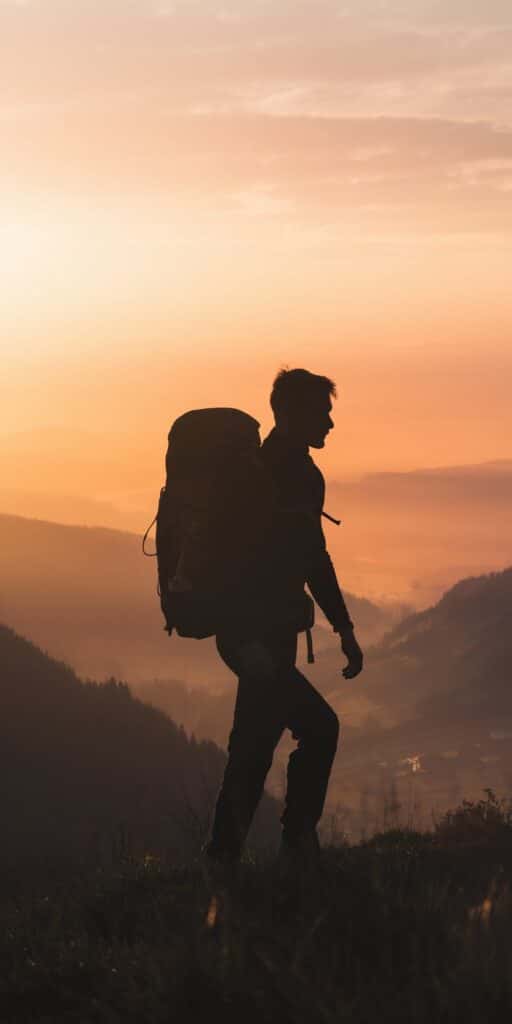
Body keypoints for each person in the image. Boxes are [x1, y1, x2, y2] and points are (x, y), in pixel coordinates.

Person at [205, 368, 364, 867]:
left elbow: (313, 557)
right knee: (316, 729)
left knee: (253, 747)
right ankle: (293, 845)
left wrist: (345, 627)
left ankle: (226, 860)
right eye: (324, 412)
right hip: (253, 636)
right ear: (291, 414)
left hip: (271, 634)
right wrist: (242, 639)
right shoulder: (259, 477)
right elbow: (226, 562)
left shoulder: (301, 475)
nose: (332, 423)